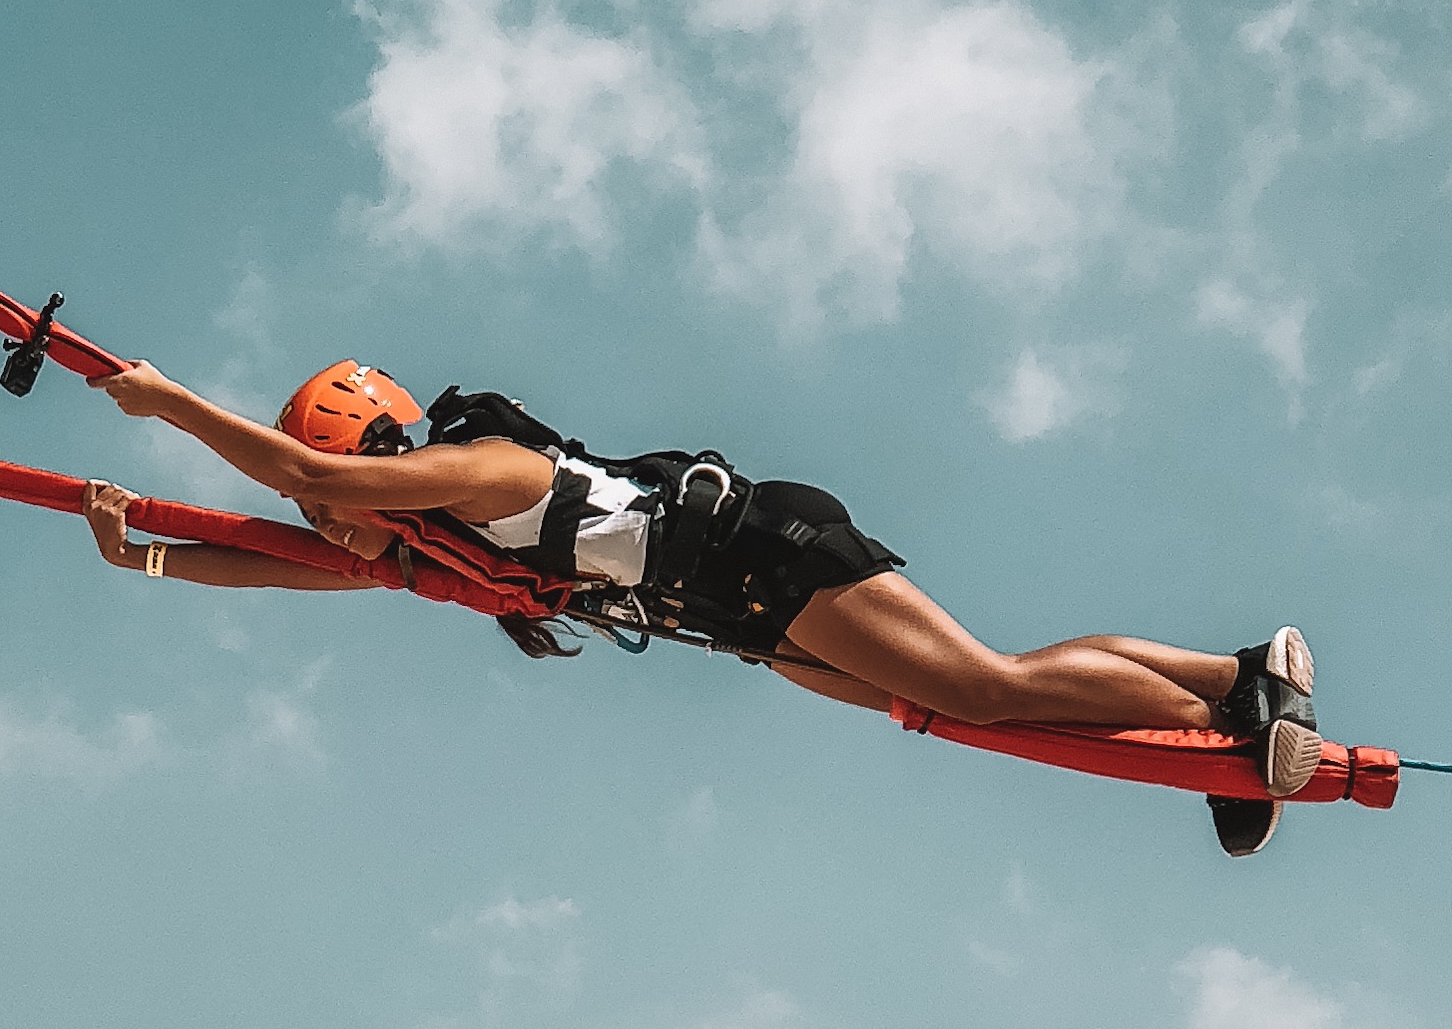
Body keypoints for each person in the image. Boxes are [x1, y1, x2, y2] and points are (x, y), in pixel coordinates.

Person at [81, 358, 1320, 843]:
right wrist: (143, 556)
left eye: (326, 494)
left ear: (367, 453)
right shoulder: (435, 547)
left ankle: (1231, 716)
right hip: (738, 613)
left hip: (760, 552)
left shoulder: (481, 473)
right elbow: (290, 560)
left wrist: (165, 403)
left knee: (979, 687)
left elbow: (308, 487)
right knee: (948, 705)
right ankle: (1226, 684)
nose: (321, 523)